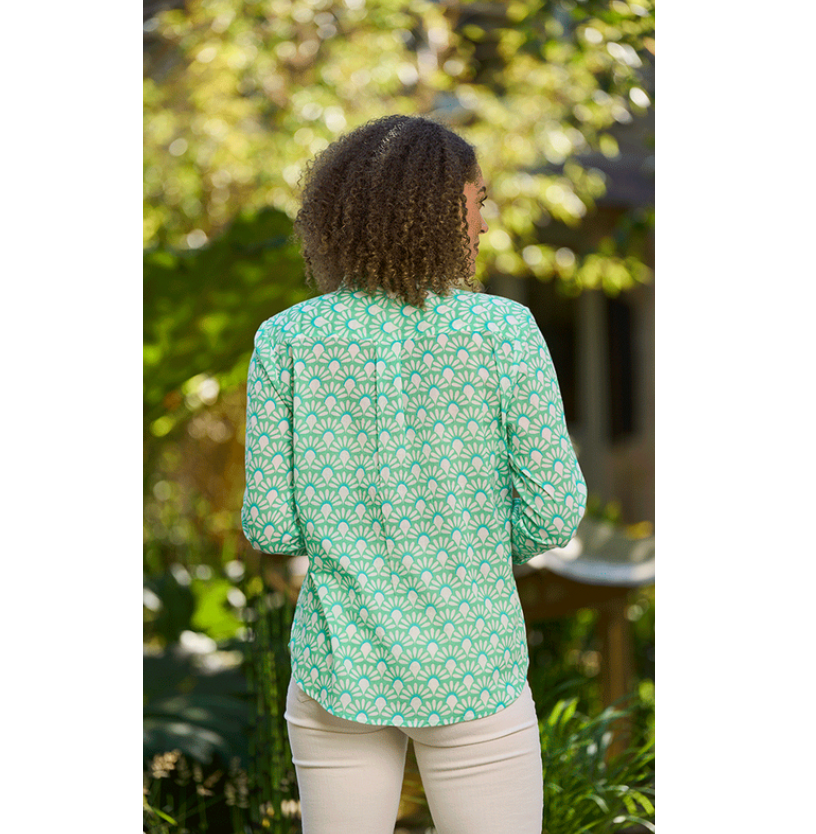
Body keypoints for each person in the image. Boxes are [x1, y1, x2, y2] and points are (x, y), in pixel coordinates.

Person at [241, 114, 587, 834]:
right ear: (432, 208)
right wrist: (472, 544)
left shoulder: (286, 341)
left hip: (340, 667)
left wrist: (353, 533)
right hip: (473, 664)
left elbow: (270, 526)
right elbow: (554, 510)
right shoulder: (503, 332)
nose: (484, 222)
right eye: (477, 201)